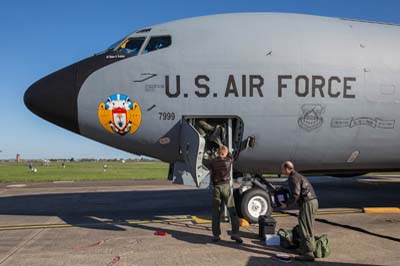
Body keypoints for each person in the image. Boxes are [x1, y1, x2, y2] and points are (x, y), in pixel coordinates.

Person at [280, 161, 318, 261]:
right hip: (312, 202)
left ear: (287, 168)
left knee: (305, 227)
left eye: (282, 169)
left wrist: (286, 204)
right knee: (307, 226)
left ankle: (308, 254)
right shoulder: (297, 175)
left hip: (308, 203)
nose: (282, 170)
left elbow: (295, 194)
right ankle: (307, 249)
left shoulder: (293, 177)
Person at [208, 145, 242, 243]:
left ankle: (216, 235)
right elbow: (232, 156)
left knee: (216, 212)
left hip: (217, 187)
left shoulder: (212, 162)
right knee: (232, 210)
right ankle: (235, 233)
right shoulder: (228, 161)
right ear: (226, 152)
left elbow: (211, 174)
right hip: (226, 187)